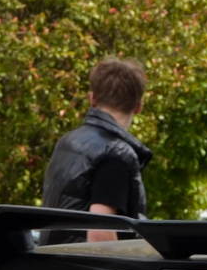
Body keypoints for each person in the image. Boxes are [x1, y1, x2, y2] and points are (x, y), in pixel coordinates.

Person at [40, 59, 152, 222]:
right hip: (88, 249)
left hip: (49, 248)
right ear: (139, 106)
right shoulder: (116, 155)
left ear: (92, 99)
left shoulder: (67, 143)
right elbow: (100, 232)